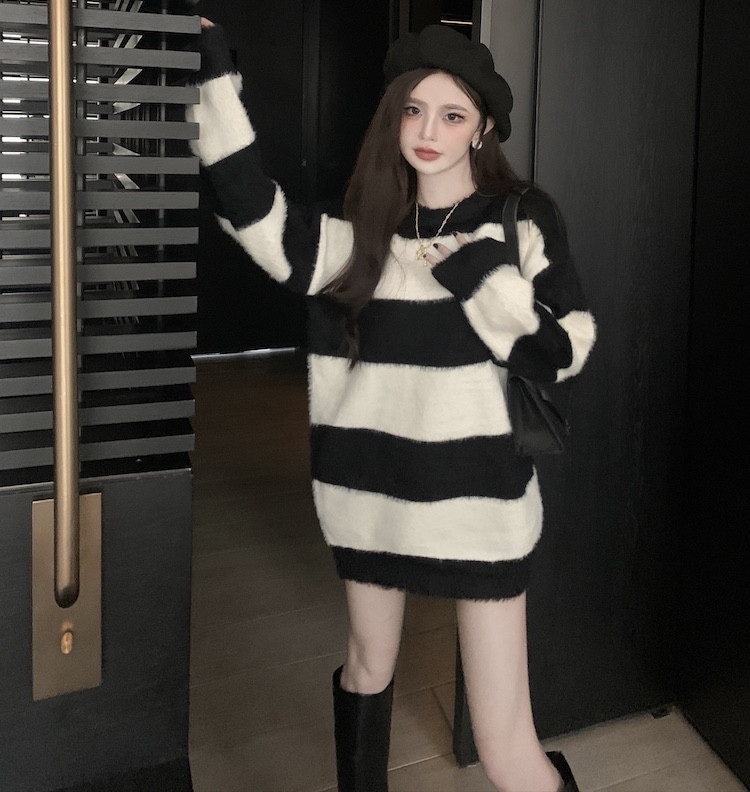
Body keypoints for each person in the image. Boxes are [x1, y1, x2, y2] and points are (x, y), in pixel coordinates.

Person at [187, 18, 596, 792]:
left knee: (506, 746)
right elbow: (250, 212)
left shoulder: (521, 219)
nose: (428, 131)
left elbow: (566, 351)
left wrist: (483, 279)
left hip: (480, 505)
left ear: (483, 128)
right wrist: (211, 72)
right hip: (370, 494)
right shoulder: (359, 233)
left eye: (452, 114)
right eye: (413, 109)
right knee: (366, 669)